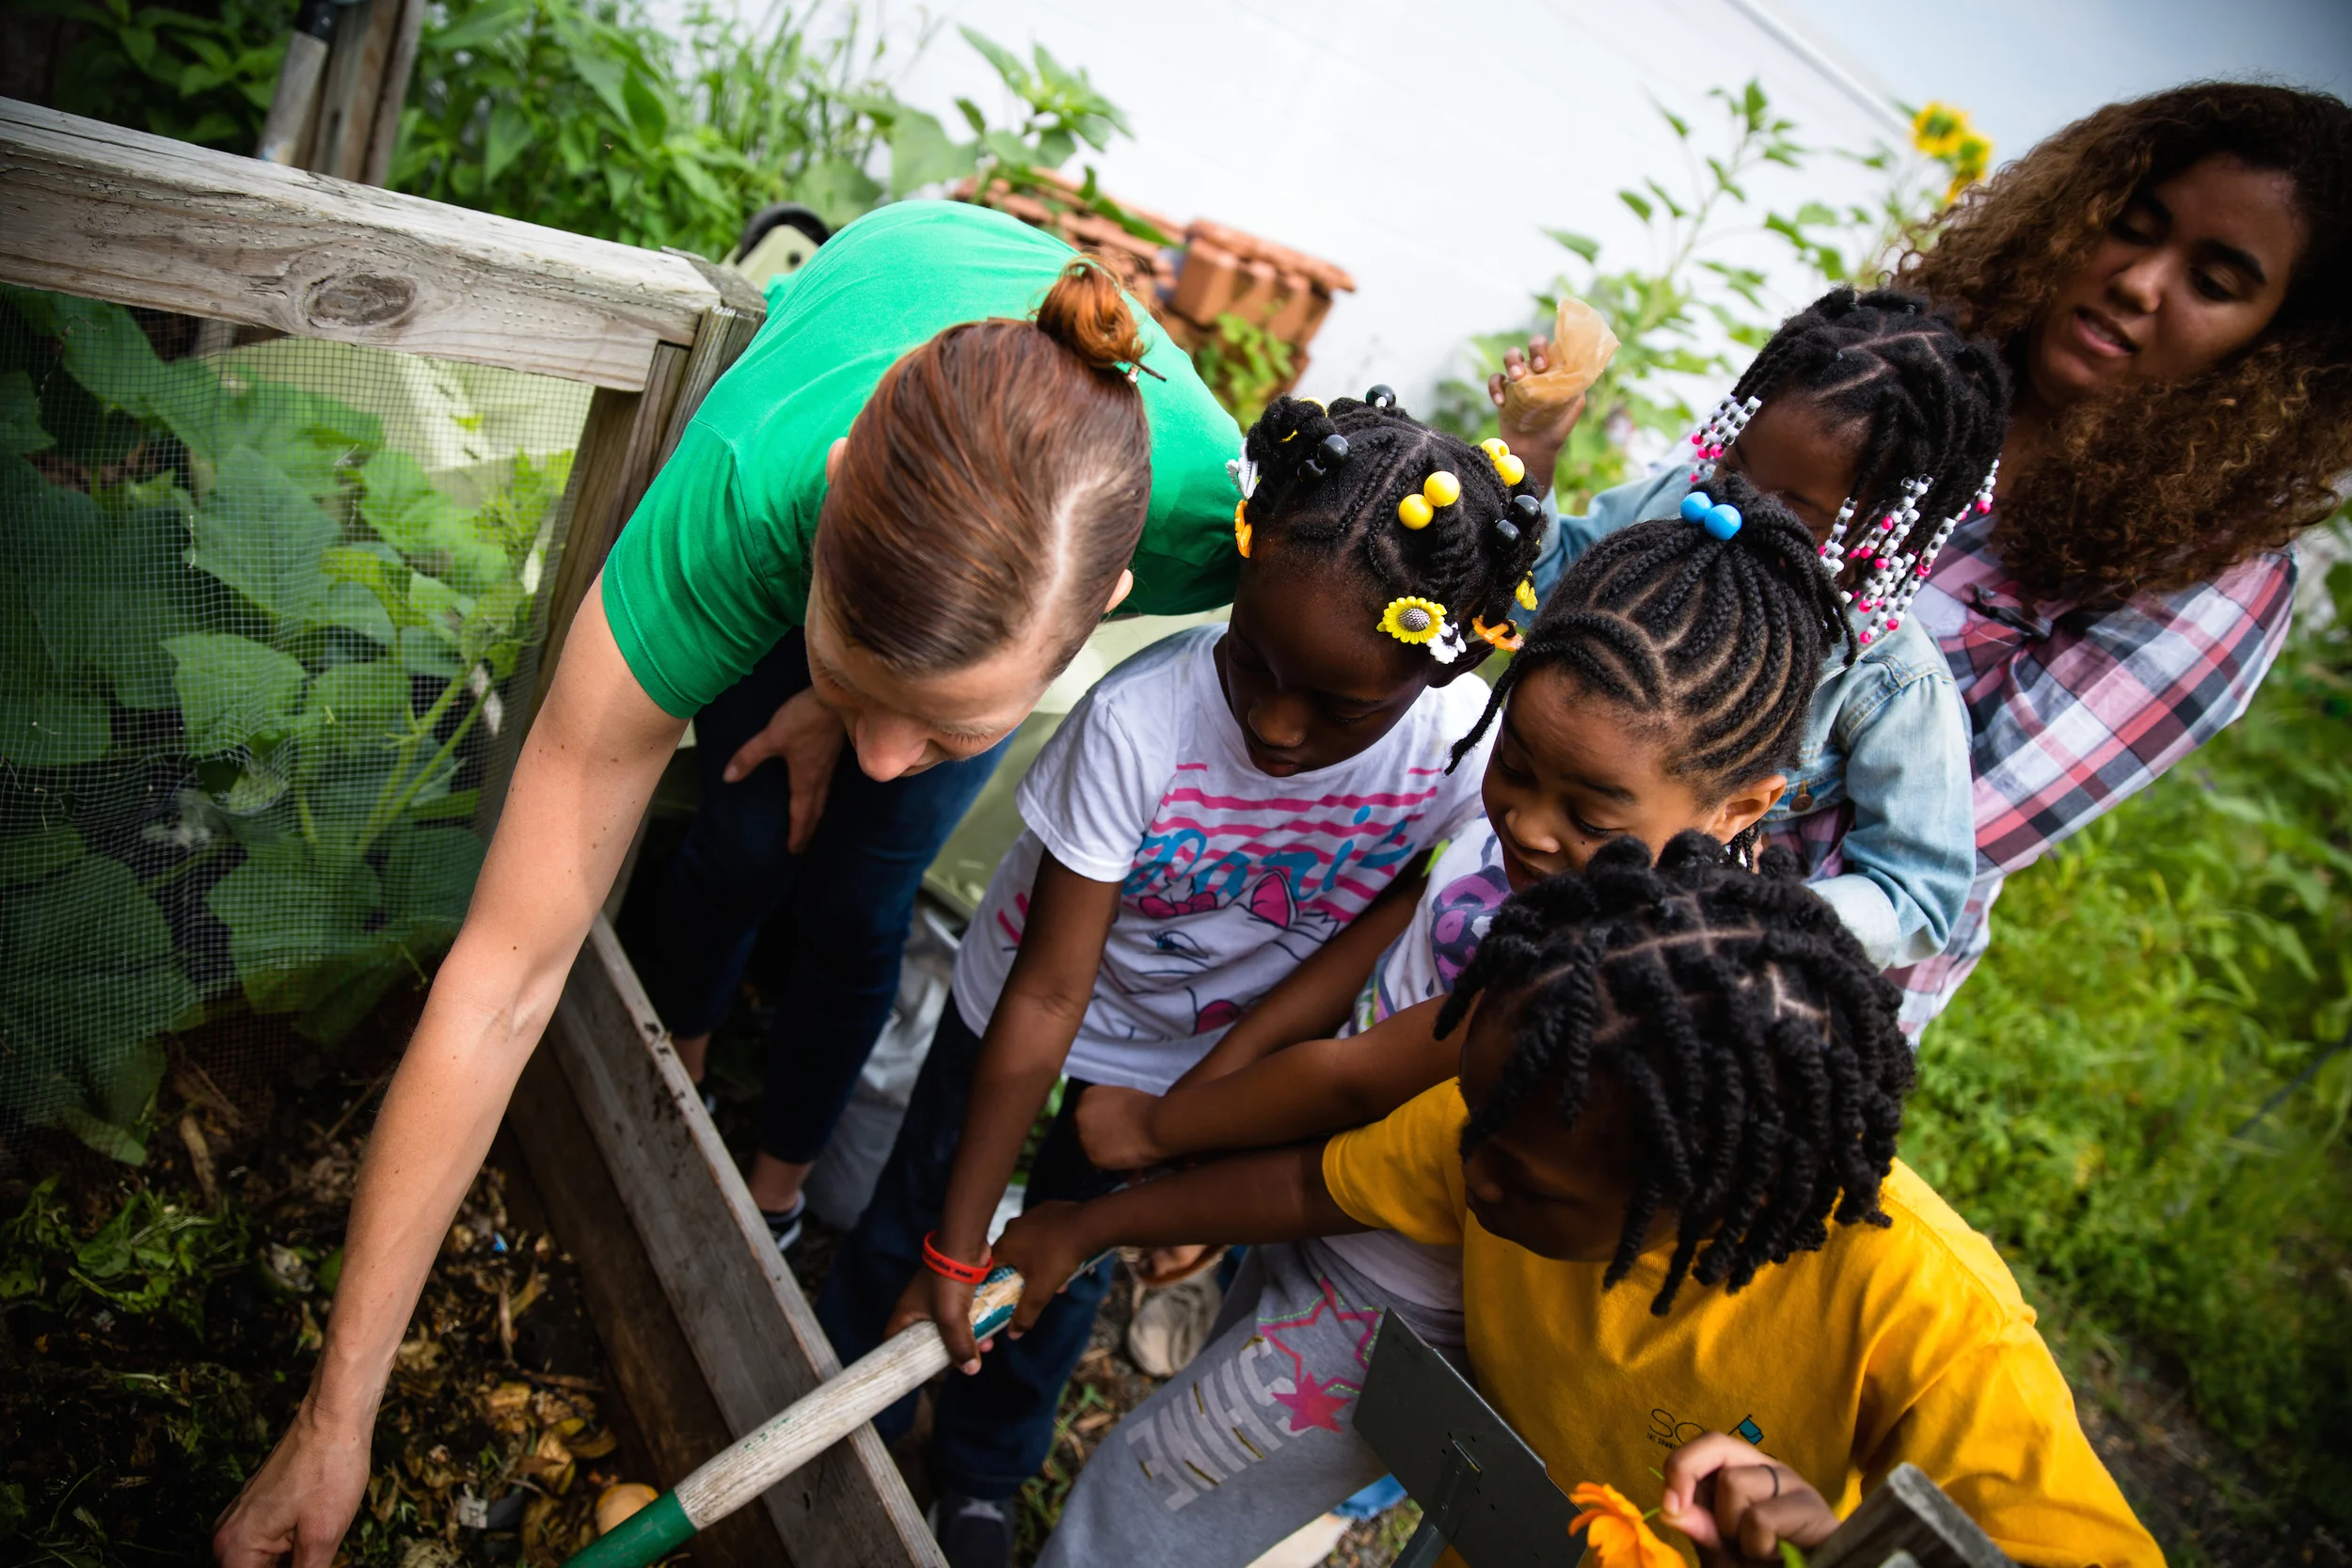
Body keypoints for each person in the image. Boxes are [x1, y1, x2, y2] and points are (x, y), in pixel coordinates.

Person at [213, 199, 1246, 1566]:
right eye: (860, 678)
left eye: (947, 726)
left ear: (1112, 597)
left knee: (865, 864)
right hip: (885, 290)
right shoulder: (749, 492)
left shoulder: (1211, 518)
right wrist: (334, 1416)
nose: (895, 758)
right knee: (746, 832)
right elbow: (507, 978)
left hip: (1004, 543)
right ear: (825, 504)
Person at [1050, 476, 1868, 1562]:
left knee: (1154, 1501)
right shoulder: (1547, 849)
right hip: (1318, 1202)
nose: (1526, 822)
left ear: (1742, 807)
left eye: (1587, 812)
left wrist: (1159, 1131)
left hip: (1387, 1288)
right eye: (1515, 765)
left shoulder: (1611, 975)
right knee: (1213, 1455)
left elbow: (1358, 1079)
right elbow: (1390, 935)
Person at [1001, 836, 2161, 1568]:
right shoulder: (1525, 1124)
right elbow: (1320, 1177)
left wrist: (1836, 1540)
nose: (1473, 1174)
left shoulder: (1931, 1319)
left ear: (1706, 1195)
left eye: (1520, 1182)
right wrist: (1088, 1224)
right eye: (1478, 1131)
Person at [815, 390, 1535, 1568]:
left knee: (1071, 1256)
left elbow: (1376, 941)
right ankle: (856, 1406)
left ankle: (986, 1465)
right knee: (922, 1209)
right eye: (1253, 662)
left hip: (1195, 1054)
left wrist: (1193, 1113)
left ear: (1434, 666)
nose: (1279, 724)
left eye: (1340, 704)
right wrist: (955, 1248)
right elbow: (1049, 1000)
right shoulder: (1141, 721)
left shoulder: (1459, 753)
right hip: (1027, 1007)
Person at [1501, 83, 2352, 1031]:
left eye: (2215, 281)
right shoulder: (1897, 372)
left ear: (2279, 354)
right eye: (2131, 223)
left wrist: (1670, 877)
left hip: (1745, 989)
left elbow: (1942, 841)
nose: (2138, 281)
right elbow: (1613, 572)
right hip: (1560, 840)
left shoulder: (2211, 579)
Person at [1508, 287, 2008, 973]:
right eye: (1734, 467)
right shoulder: (1675, 504)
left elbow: (1916, 894)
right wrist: (1531, 455)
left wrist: (1739, 923)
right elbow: (1549, 584)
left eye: (1797, 514)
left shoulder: (1889, 682)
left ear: (1899, 530)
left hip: (1660, 966)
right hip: (1525, 857)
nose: (1735, 508)